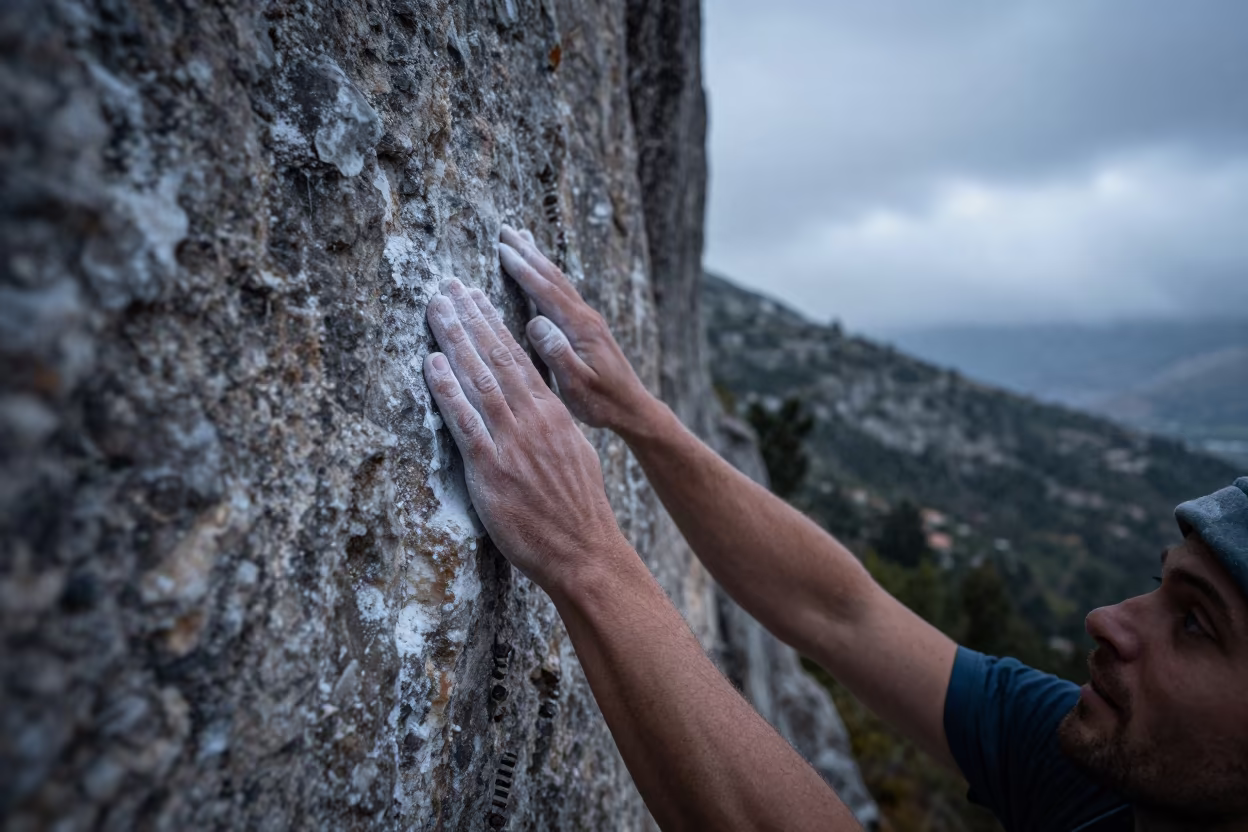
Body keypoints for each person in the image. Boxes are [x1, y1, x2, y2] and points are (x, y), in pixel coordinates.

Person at [422, 224, 1248, 832]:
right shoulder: (1105, 774)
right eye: (1159, 584)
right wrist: (641, 418)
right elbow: (844, 615)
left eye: (1198, 626)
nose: (1109, 621)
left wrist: (587, 558)